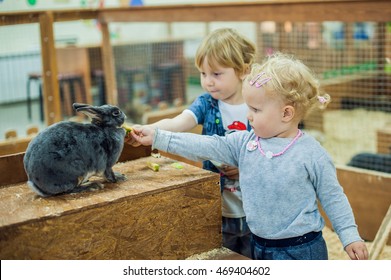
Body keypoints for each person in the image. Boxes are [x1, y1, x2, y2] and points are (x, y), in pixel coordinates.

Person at [130, 52, 369, 260]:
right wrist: (158, 137)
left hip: (301, 250)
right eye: (248, 107)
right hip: (259, 245)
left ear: (287, 113)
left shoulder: (311, 153)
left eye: (255, 109)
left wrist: (349, 236)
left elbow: (333, 197)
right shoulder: (245, 142)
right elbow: (204, 145)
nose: (249, 115)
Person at [126, 28, 256, 258]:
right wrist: (150, 130)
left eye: (217, 74)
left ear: (243, 71)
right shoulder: (207, 103)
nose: (208, 82)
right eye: (203, 74)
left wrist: (246, 167)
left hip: (255, 210)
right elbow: (179, 122)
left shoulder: (257, 105)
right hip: (218, 207)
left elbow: (271, 149)